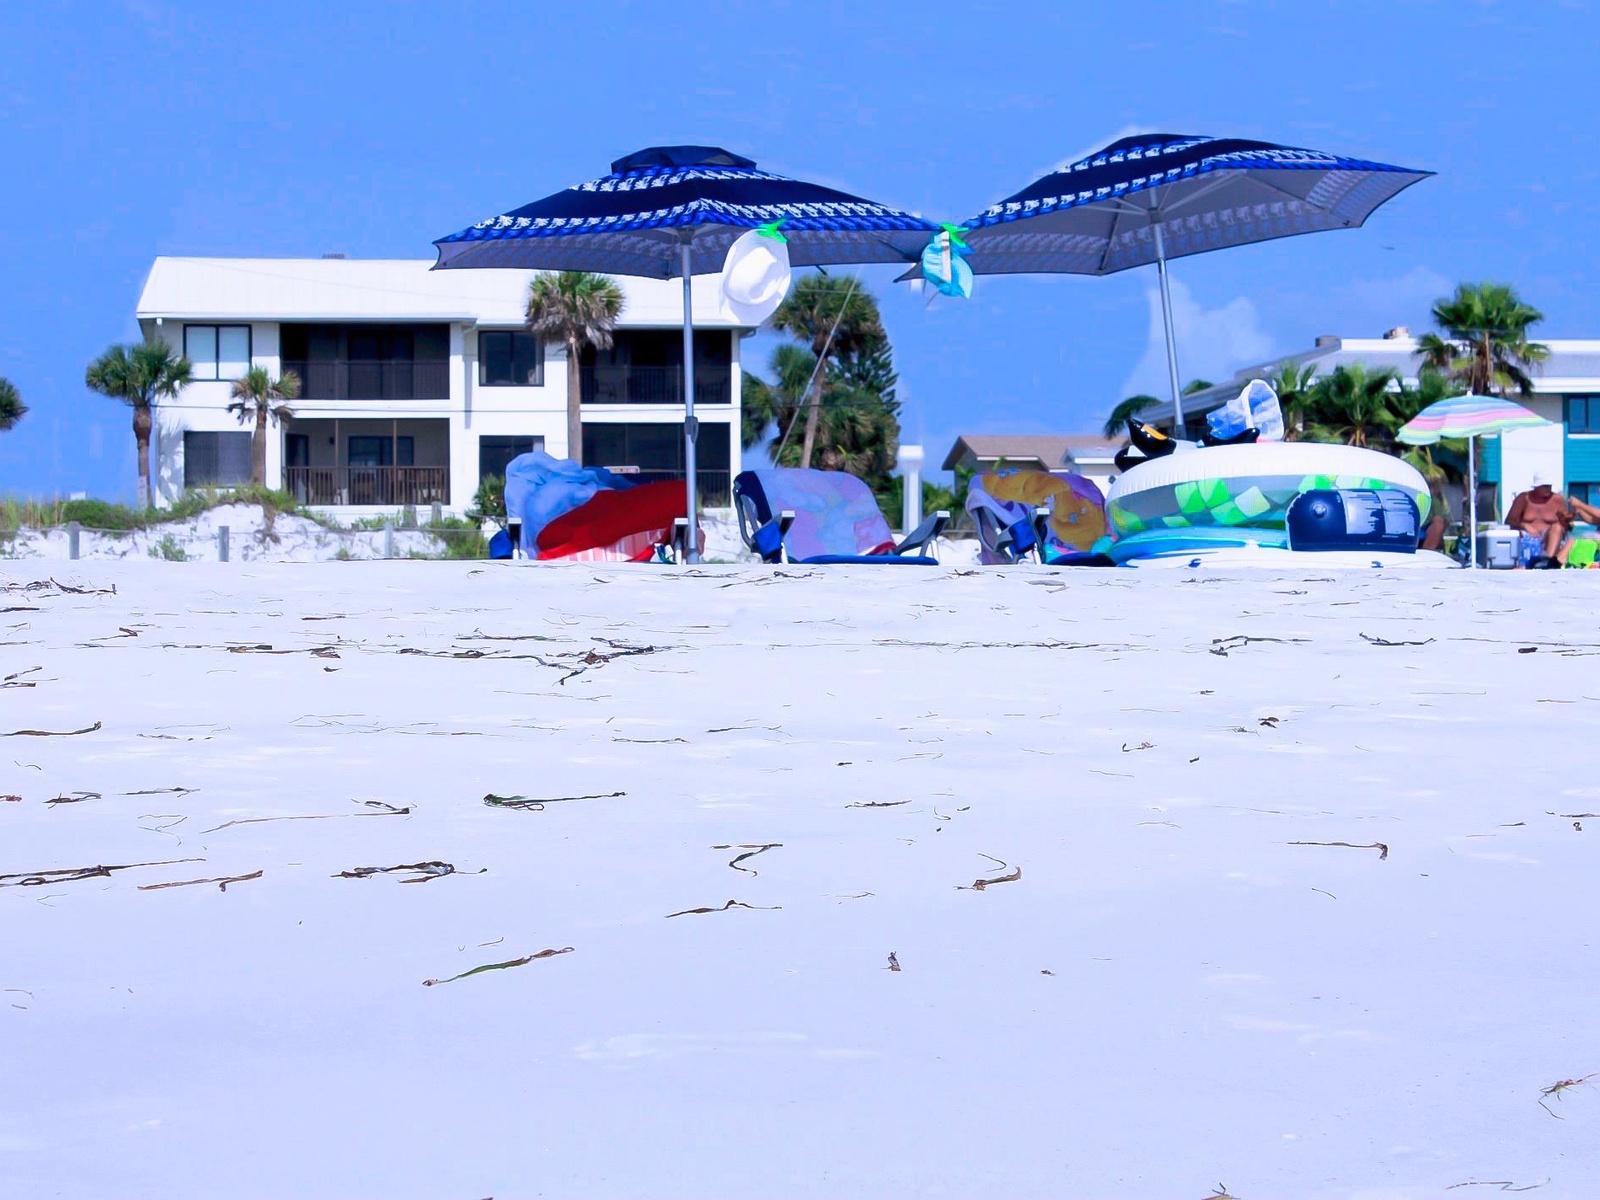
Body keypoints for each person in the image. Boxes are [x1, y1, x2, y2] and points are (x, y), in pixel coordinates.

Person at [1505, 473, 1572, 565]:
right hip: (1527, 537)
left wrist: (1566, 520)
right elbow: (1509, 520)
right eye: (1545, 486)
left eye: (1549, 486)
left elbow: (1568, 525)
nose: (1548, 489)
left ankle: (1547, 560)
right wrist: (1525, 525)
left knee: (1557, 527)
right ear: (1537, 487)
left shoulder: (1557, 500)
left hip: (1549, 537)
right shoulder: (1524, 498)